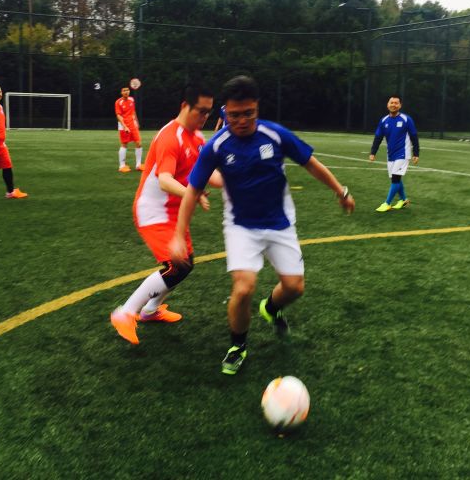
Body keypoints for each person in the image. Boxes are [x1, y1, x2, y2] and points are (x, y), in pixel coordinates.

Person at [170, 75, 355, 375]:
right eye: (234, 115)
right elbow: (192, 191)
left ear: (257, 107)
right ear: (225, 112)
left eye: (248, 113)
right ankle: (237, 346)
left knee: (294, 288)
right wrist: (179, 235)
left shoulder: (275, 134)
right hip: (240, 227)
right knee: (243, 288)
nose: (242, 121)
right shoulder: (216, 146)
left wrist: (341, 191)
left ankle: (270, 308)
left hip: (280, 224)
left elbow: (310, 163)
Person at [110, 85, 223, 345]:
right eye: (200, 111)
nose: (205, 117)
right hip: (152, 211)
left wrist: (237, 182)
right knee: (177, 266)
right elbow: (165, 180)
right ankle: (125, 313)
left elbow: (209, 174)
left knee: (185, 264)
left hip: (174, 211)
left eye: (208, 112)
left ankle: (150, 311)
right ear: (185, 106)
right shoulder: (170, 136)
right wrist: (194, 194)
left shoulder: (197, 138)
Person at [369, 94, 419, 212]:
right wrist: (373, 152)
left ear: (400, 105)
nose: (394, 105)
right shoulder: (384, 121)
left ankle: (387, 203)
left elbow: (414, 136)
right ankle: (403, 200)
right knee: (395, 178)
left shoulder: (406, 119)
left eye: (396, 103)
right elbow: (378, 137)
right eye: (391, 102)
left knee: (395, 178)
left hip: (403, 153)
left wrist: (416, 153)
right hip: (391, 154)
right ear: (388, 105)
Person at [115, 86, 143, 173]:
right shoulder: (118, 102)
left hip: (133, 124)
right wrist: (125, 126)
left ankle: (138, 165)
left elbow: (133, 111)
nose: (126, 92)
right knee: (124, 144)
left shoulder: (132, 99)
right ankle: (122, 166)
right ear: (121, 92)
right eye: (124, 90)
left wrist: (137, 122)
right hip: (123, 125)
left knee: (138, 143)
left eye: (127, 90)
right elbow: (118, 115)